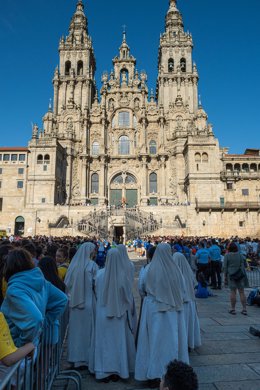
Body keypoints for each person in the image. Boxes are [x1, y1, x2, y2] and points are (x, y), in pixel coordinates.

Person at [135, 243, 188, 388]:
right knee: (170, 342)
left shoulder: (148, 269)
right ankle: (171, 375)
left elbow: (141, 288)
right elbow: (183, 292)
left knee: (152, 342)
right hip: (172, 311)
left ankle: (153, 375)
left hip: (153, 309)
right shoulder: (176, 270)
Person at [1, 248, 67, 348]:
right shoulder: (42, 281)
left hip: (14, 347)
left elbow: (35, 318)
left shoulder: (15, 289)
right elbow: (62, 299)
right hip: (28, 345)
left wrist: (23, 344)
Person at [90, 248, 135, 382]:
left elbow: (97, 292)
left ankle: (103, 372)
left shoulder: (99, 274)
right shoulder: (123, 276)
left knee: (103, 341)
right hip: (118, 313)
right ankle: (118, 370)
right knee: (117, 342)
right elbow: (127, 296)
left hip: (103, 312)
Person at [65, 242, 99, 368]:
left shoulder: (73, 266)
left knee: (75, 332)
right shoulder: (92, 266)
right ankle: (86, 358)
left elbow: (67, 284)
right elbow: (97, 284)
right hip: (89, 301)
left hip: (75, 303)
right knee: (88, 331)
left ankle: (75, 358)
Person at [172, 252, 201, 350]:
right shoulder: (189, 272)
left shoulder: (174, 273)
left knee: (182, 325)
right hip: (190, 303)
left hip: (181, 303)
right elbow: (194, 285)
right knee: (189, 324)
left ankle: (181, 344)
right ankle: (189, 343)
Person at [224, 241, 249, 315]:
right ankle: (244, 309)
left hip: (231, 275)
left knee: (233, 291)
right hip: (240, 275)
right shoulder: (240, 255)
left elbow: (225, 267)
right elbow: (244, 264)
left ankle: (233, 309)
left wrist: (225, 276)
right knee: (241, 292)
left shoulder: (227, 256)